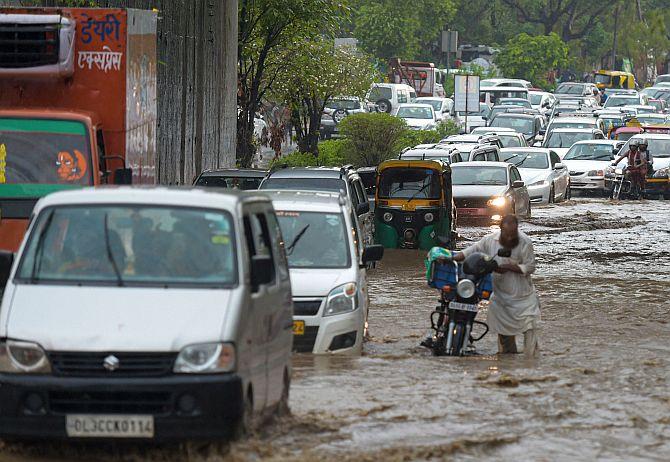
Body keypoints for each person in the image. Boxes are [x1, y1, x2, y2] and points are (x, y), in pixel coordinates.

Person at [453, 215, 541, 356]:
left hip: (523, 295)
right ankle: (507, 359)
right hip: (501, 295)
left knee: (530, 326)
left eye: (513, 234)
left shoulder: (525, 242)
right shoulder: (490, 240)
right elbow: (472, 250)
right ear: (501, 230)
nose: (510, 238)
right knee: (503, 330)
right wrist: (450, 258)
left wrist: (508, 267)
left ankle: (531, 360)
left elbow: (530, 267)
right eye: (507, 234)